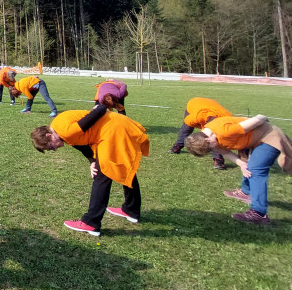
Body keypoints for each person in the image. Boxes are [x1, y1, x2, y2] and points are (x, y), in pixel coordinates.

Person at [31, 105, 149, 236]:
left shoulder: (65, 131)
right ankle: (131, 210)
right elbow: (82, 146)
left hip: (115, 130)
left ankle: (91, 222)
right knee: (121, 169)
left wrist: (99, 106)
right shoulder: (60, 130)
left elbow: (100, 110)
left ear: (49, 135)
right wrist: (92, 162)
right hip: (113, 130)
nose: (54, 149)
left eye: (51, 147)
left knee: (102, 174)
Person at [186, 115, 292, 225]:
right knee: (247, 166)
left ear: (207, 140)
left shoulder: (225, 131)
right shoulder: (208, 136)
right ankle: (246, 193)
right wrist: (241, 164)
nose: (213, 149)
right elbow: (224, 151)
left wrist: (263, 121)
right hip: (253, 142)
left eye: (211, 148)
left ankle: (259, 213)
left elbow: (259, 118)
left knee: (255, 170)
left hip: (268, 136)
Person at [169, 97, 231, 170]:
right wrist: (203, 130)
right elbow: (187, 122)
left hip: (211, 106)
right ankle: (177, 146)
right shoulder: (195, 117)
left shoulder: (227, 118)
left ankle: (218, 160)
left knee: (214, 138)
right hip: (194, 103)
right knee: (187, 128)